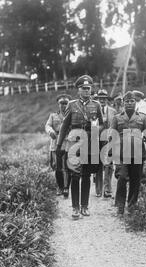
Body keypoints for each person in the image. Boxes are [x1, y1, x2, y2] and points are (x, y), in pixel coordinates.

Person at [56, 75, 103, 220]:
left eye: (88, 88)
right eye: (83, 88)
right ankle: (75, 208)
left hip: (90, 144)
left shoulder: (96, 105)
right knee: (75, 175)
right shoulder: (71, 105)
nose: (86, 91)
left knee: (86, 176)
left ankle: (84, 206)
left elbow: (102, 124)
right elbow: (64, 126)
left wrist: (95, 127)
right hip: (74, 144)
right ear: (78, 90)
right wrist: (59, 144)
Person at [111, 91, 146, 215]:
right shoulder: (117, 118)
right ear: (123, 104)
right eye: (127, 101)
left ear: (135, 103)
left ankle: (131, 205)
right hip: (122, 154)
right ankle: (120, 205)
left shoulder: (142, 117)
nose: (129, 103)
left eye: (132, 101)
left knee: (135, 180)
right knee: (122, 178)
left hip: (138, 154)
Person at [45, 94, 72, 197]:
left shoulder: (72, 115)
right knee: (57, 167)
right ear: (58, 104)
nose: (63, 105)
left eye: (66, 103)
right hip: (56, 143)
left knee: (67, 166)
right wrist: (50, 131)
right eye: (61, 103)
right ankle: (60, 187)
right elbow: (47, 125)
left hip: (68, 143)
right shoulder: (53, 115)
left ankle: (66, 188)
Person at [95, 89, 117, 199]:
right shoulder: (93, 110)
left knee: (109, 165)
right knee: (98, 165)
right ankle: (98, 189)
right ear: (97, 99)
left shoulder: (113, 111)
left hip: (109, 141)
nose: (102, 100)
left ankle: (107, 189)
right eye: (100, 98)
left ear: (107, 99)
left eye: (104, 98)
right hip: (97, 141)